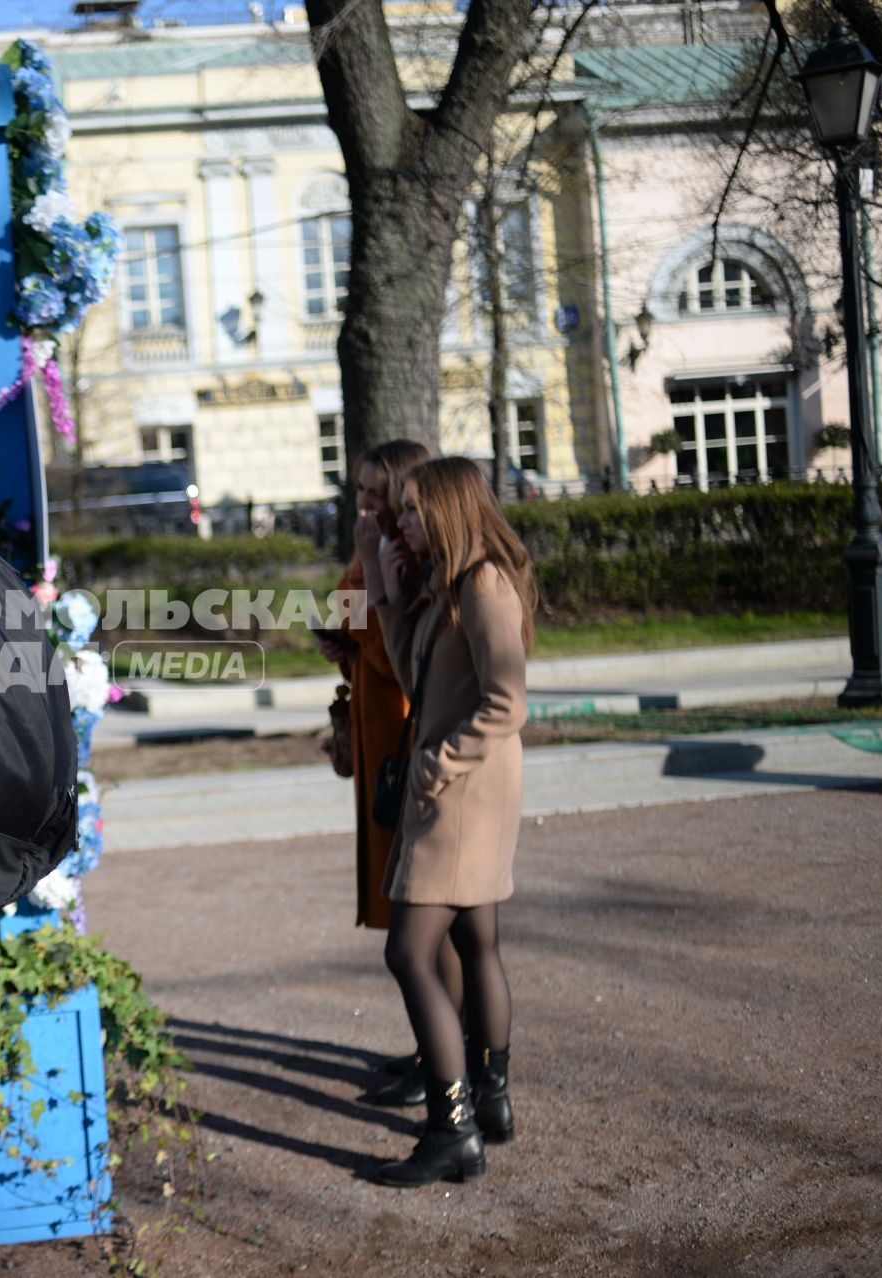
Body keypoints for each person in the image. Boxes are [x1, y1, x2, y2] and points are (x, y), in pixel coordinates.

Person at [369, 456, 535, 1187]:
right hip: (464, 785)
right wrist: (390, 589)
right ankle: (490, 1102)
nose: (400, 521)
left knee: (409, 951)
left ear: (445, 509)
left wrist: (438, 763)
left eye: (409, 510)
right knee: (474, 939)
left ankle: (452, 1128)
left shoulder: (486, 584)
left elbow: (507, 700)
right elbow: (414, 681)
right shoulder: (450, 586)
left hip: (463, 791)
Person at [322, 441, 465, 1108]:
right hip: (374, 728)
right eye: (362, 491)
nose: (366, 504)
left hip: (405, 734)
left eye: (377, 493)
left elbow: (398, 651)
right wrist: (338, 640)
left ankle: (449, 1059)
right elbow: (362, 630)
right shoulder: (370, 547)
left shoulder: (406, 555)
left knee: (427, 921)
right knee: (408, 915)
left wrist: (356, 635)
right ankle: (427, 1051)